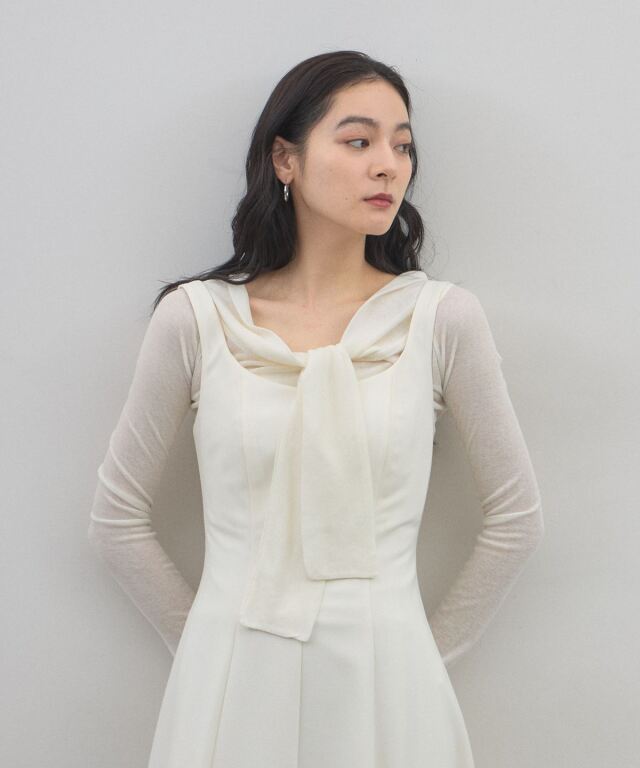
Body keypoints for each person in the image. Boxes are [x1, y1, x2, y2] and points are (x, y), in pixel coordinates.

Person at [87, 50, 544, 767]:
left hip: (390, 689)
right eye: (358, 141)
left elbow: (517, 520)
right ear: (285, 159)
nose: (388, 165)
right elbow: (116, 521)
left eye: (402, 146)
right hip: (231, 690)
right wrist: (211, 648)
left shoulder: (440, 319)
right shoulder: (198, 320)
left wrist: (419, 659)